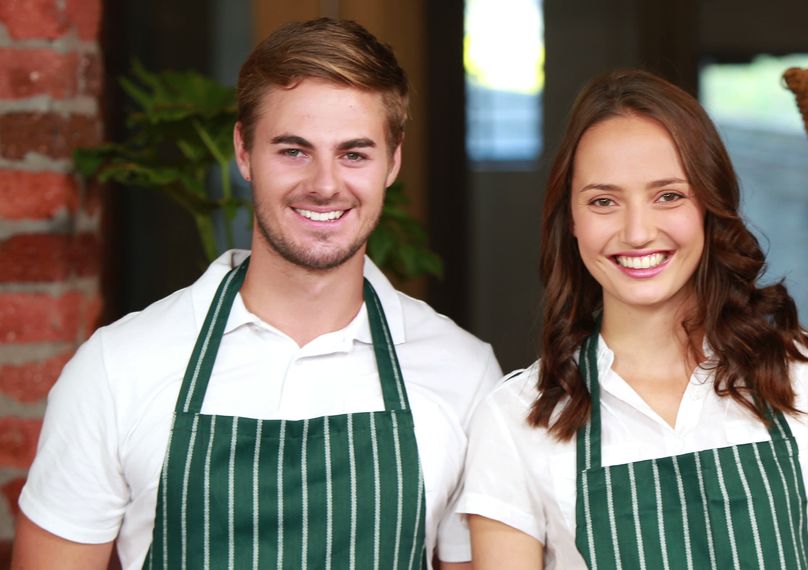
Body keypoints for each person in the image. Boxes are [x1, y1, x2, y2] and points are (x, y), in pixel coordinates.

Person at [12, 18, 501, 569]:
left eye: (354, 154)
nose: (324, 183)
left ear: (393, 161)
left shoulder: (462, 373)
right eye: (293, 151)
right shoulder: (117, 366)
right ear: (244, 152)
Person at [457, 69, 808, 570]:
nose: (637, 232)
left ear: (709, 205)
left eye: (669, 195)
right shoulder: (516, 419)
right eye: (603, 201)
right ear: (570, 221)